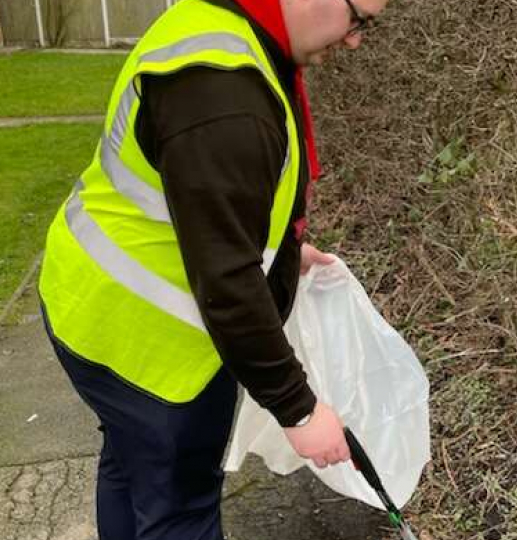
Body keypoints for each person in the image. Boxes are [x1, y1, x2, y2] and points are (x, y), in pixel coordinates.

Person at [37, 0, 388, 538]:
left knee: (132, 464)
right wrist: (299, 410)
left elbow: (214, 205)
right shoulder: (226, 94)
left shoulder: (221, 26)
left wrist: (288, 254)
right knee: (180, 506)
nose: (355, 40)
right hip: (151, 349)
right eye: (358, 19)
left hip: (87, 301)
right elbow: (227, 286)